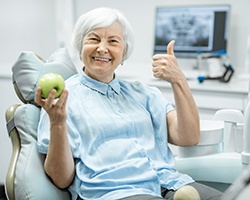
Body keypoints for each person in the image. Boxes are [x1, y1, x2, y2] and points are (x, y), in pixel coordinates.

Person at [35, 7, 222, 200]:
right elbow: (61, 179)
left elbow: (188, 137)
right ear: (80, 46)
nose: (102, 48)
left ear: (123, 53)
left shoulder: (144, 94)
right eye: (94, 39)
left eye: (113, 41)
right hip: (116, 192)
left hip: (170, 183)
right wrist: (57, 123)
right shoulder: (62, 100)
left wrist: (179, 81)